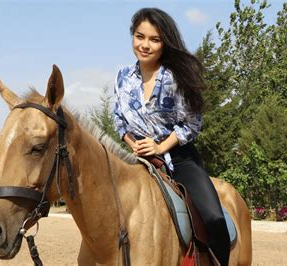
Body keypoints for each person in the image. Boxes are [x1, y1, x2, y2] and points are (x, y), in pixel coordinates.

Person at [112, 7, 230, 265]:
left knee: (213, 218)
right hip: (137, 158)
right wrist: (135, 145)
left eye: (154, 40)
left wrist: (159, 147)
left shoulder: (175, 77)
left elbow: (192, 123)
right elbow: (119, 120)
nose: (145, 45)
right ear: (132, 36)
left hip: (179, 158)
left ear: (165, 43)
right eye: (140, 37)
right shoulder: (122, 77)